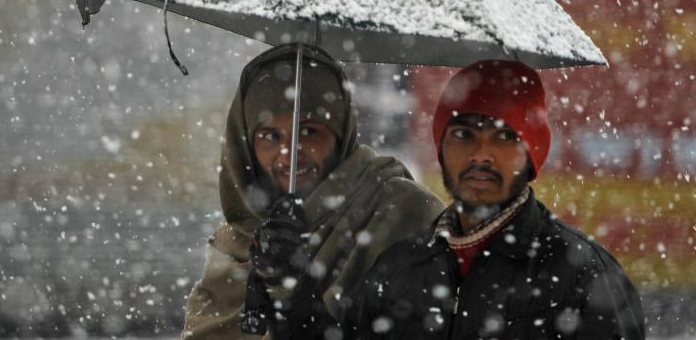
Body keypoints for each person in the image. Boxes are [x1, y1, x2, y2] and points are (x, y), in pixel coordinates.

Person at [343, 59, 646, 339]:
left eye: (503, 137)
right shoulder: (397, 269)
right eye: (464, 135)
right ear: (441, 148)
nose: (481, 156)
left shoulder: (583, 275)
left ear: (531, 154)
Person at [181, 43, 444, 339]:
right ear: (245, 146)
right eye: (270, 135)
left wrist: (293, 290)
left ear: (341, 133)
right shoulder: (240, 240)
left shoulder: (401, 213)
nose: (290, 153)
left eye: (308, 131)